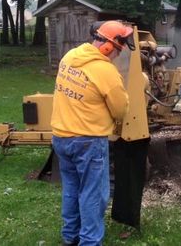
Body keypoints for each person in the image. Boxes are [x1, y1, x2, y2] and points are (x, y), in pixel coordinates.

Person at [50, 20, 132, 246]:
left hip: (61, 138)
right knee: (93, 195)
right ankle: (89, 242)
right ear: (108, 46)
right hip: (87, 141)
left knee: (71, 189)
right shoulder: (105, 71)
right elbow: (120, 110)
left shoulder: (70, 56)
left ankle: (70, 236)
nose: (117, 54)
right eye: (118, 49)